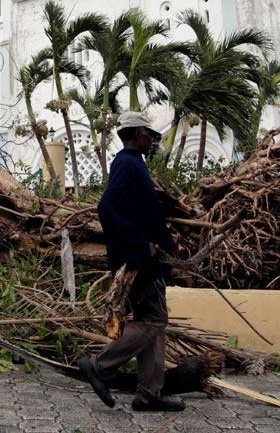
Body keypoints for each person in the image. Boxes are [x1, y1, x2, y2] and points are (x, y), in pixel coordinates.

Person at [77, 110, 185, 413]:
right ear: (138, 135)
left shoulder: (132, 164)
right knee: (154, 320)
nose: (151, 140)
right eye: (149, 135)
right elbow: (107, 206)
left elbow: (133, 207)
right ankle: (99, 364)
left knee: (154, 323)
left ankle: (149, 394)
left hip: (144, 258)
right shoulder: (127, 163)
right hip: (139, 260)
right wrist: (139, 244)